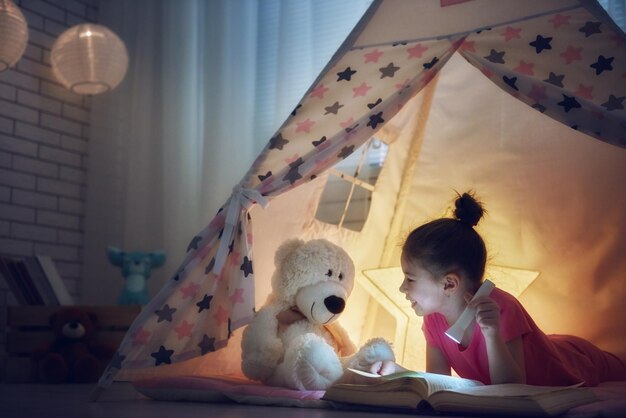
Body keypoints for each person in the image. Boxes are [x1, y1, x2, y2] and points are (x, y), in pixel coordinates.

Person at [366, 191, 626, 386]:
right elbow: (438, 383)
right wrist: (397, 372)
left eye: (410, 279)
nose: (402, 288)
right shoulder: (433, 320)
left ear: (449, 284)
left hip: (579, 361)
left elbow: (511, 388)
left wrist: (491, 335)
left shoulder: (502, 309)